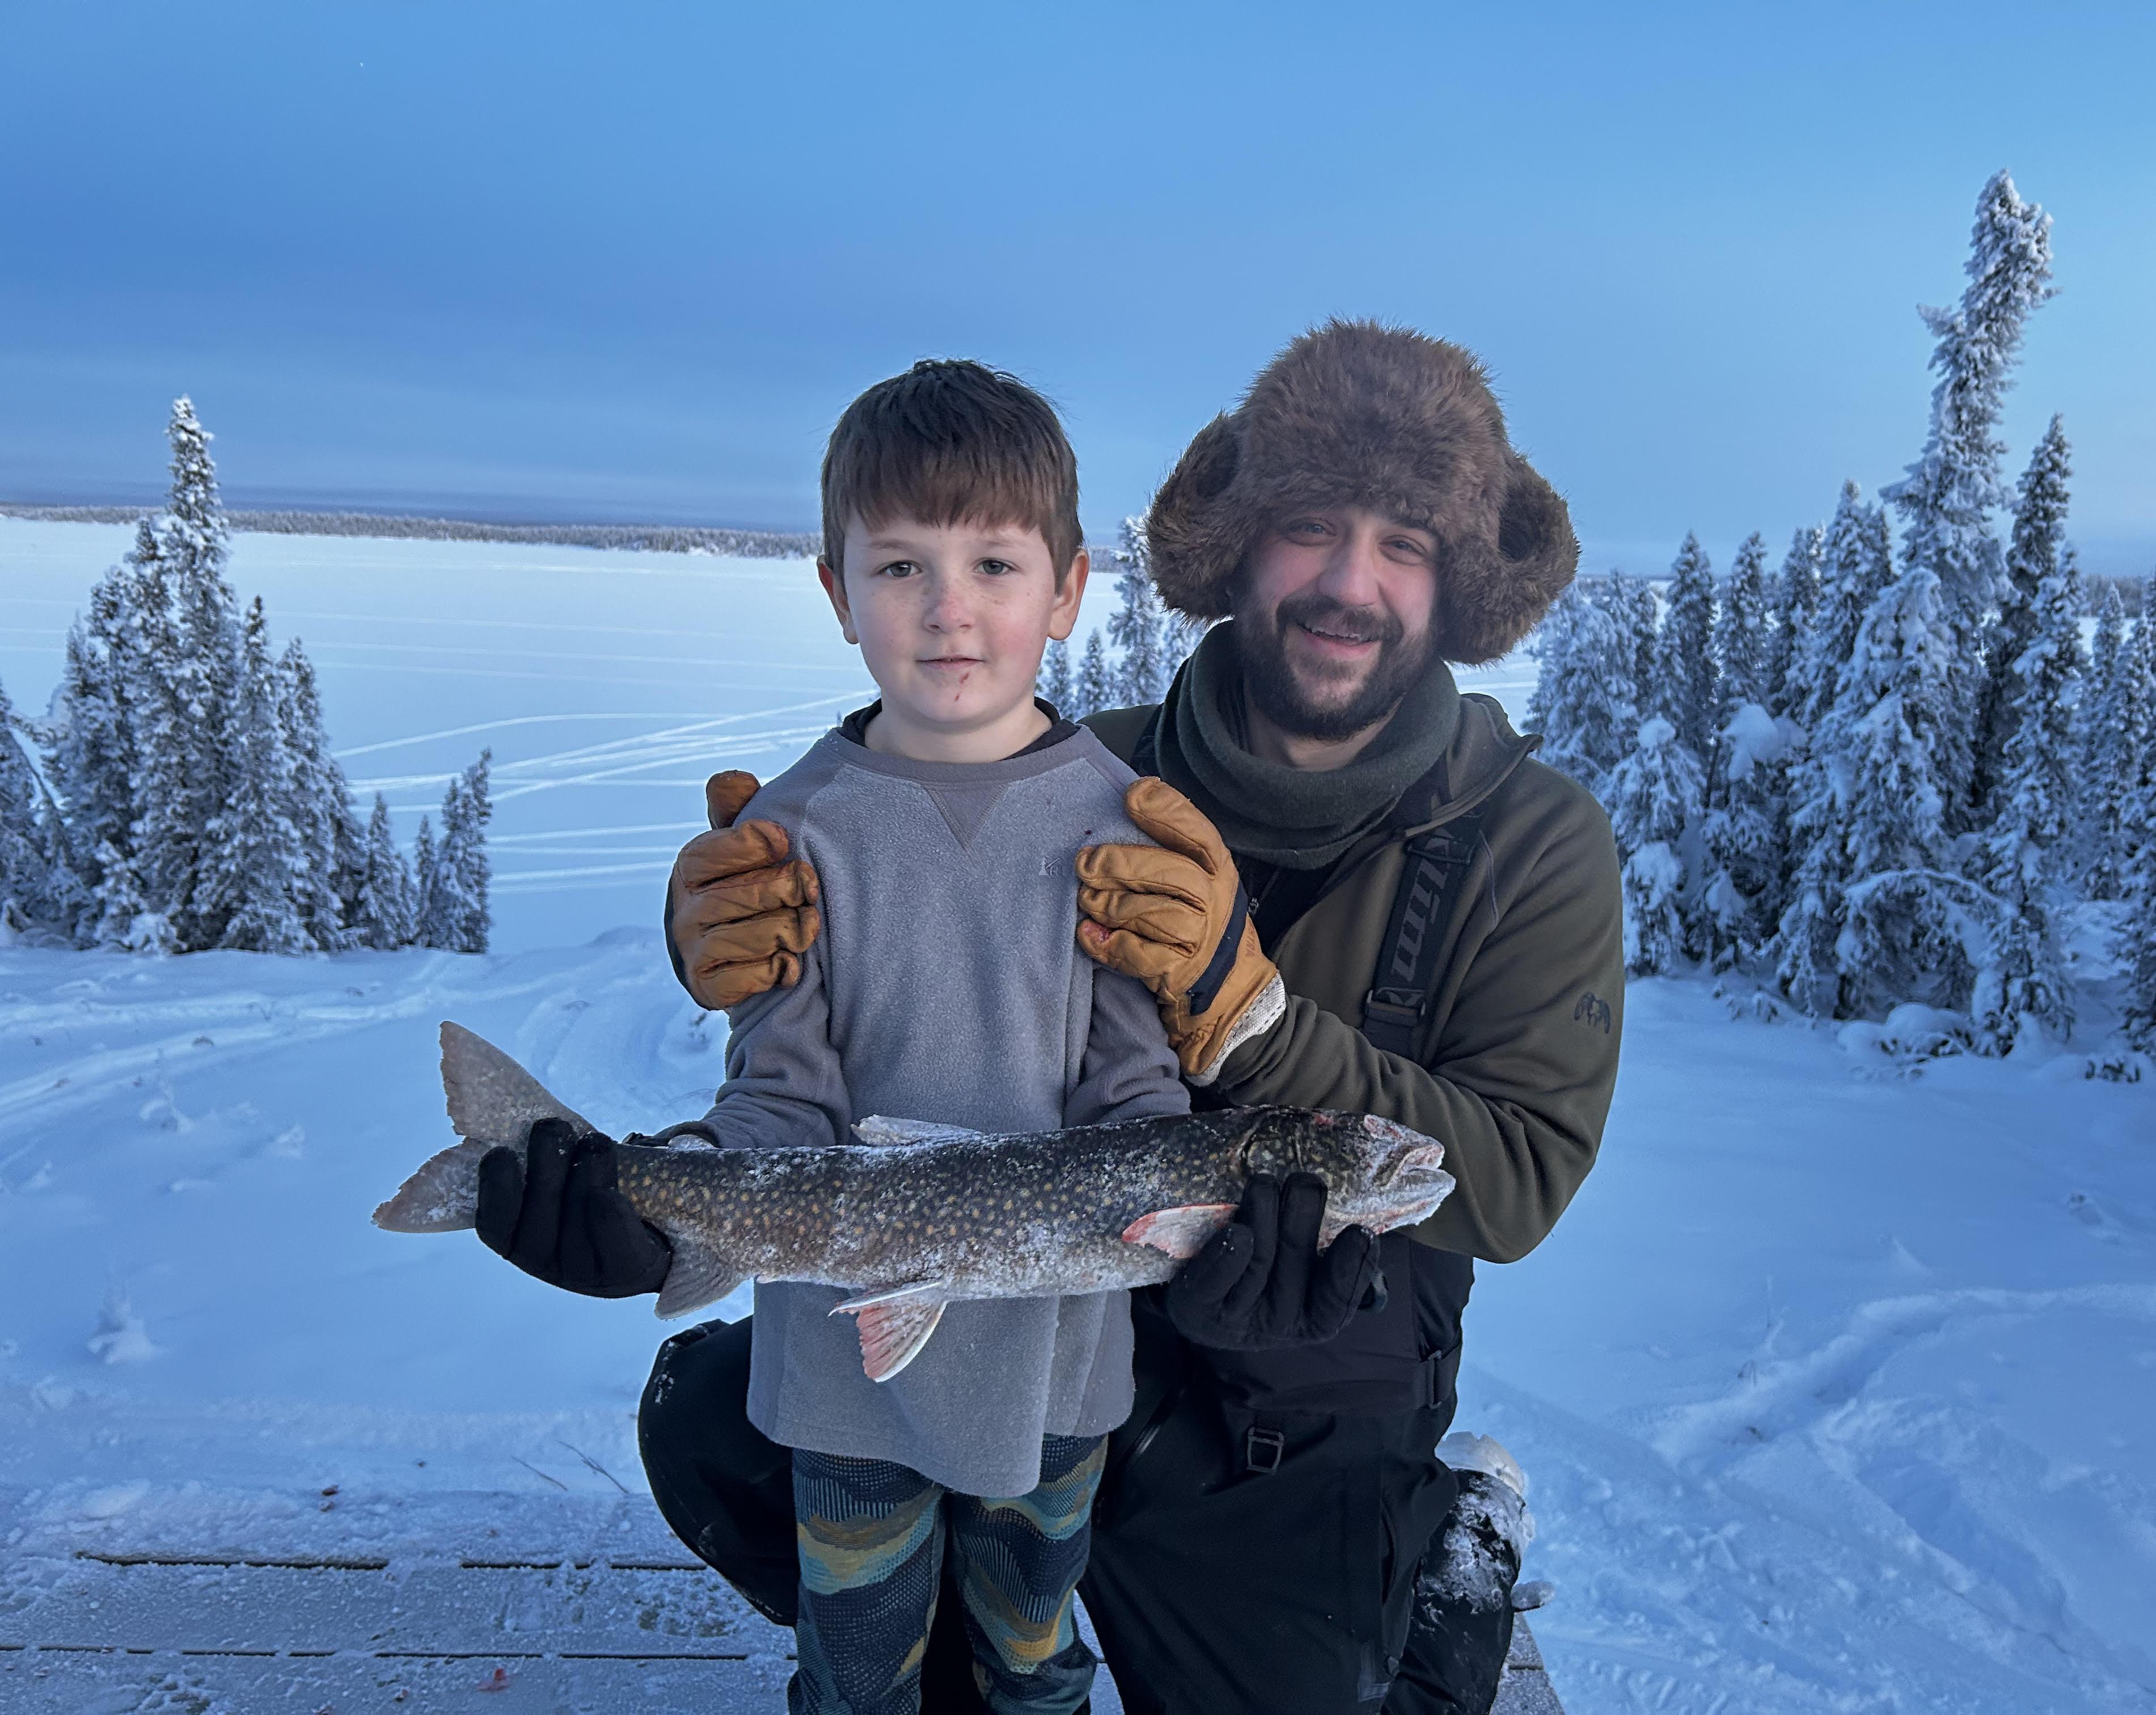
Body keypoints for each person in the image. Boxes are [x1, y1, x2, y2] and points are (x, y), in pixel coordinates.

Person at [665, 322, 1627, 1712]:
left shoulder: (1531, 843)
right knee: (714, 1423)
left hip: (1287, 1422)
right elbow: (907, 768)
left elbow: (1523, 1178)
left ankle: (1453, 1557)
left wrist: (1256, 1032)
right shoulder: (1094, 767)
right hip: (1031, 1335)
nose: (1351, 583)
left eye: (1406, 542)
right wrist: (729, 918)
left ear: (1460, 581)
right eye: (1309, 527)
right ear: (1235, 546)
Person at [472, 360, 1381, 1714]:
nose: (949, 607)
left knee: (1031, 1644)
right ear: (837, 590)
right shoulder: (789, 833)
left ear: (1067, 589)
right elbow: (778, 1098)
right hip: (838, 1363)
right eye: (901, 566)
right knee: (855, 1659)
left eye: (995, 564)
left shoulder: (1133, 828)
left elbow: (1137, 1094)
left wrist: (1193, 1198)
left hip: (1060, 1364)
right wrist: (659, 1201)